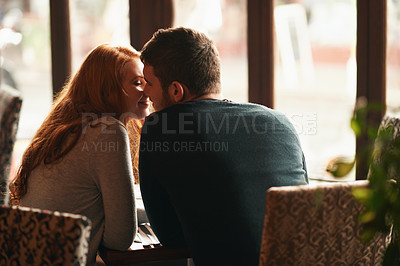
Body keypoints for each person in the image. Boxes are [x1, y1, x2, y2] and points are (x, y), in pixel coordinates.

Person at [139, 27, 309, 266]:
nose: (145, 92)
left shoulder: (162, 126)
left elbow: (170, 236)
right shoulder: (279, 121)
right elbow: (303, 200)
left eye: (149, 83)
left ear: (176, 91)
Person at [9, 44, 150, 266]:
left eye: (146, 82)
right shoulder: (108, 131)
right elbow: (120, 238)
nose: (148, 90)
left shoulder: (67, 126)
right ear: (107, 89)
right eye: (137, 83)